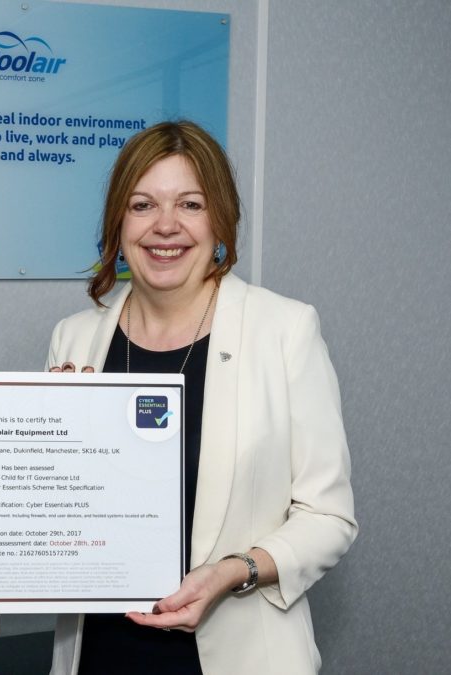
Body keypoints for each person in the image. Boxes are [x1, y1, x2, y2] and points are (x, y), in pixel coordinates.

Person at [46, 120, 357, 674]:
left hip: (238, 652)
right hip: (100, 651)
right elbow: (53, 510)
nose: (165, 225)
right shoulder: (74, 337)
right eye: (143, 205)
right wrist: (52, 444)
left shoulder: (284, 331)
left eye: (190, 204)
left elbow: (329, 516)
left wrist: (235, 570)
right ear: (118, 222)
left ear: (220, 220)